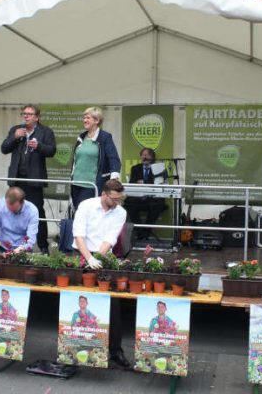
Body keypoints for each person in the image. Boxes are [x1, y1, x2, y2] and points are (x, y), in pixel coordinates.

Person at [72, 179, 129, 368]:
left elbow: (110, 238)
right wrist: (88, 259)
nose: (117, 203)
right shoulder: (86, 206)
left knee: (113, 304)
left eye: (120, 199)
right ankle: (74, 348)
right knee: (78, 303)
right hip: (82, 252)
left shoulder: (120, 212)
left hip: (103, 255)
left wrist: (98, 258)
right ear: (104, 194)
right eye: (114, 199)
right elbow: (78, 235)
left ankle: (115, 350)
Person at [1, 104, 56, 254]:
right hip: (17, 179)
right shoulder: (16, 130)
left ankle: (43, 245)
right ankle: (14, 244)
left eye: (29, 114)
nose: (26, 116)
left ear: (37, 117)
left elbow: (52, 151)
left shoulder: (45, 131)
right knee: (14, 209)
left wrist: (39, 146)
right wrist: (14, 137)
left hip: (34, 180)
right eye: (24, 113)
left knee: (37, 211)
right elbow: (4, 148)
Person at [70, 106, 121, 209]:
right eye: (84, 118)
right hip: (75, 183)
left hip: (91, 185)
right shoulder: (82, 137)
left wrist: (114, 178)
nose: (84, 120)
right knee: (77, 211)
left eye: (88, 118)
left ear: (97, 120)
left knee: (83, 211)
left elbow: (113, 158)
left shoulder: (105, 137)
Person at [124, 148, 168, 241]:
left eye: (147, 155)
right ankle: (141, 232)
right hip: (138, 198)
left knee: (157, 206)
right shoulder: (135, 168)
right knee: (129, 204)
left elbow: (159, 182)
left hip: (152, 199)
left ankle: (145, 232)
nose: (145, 157)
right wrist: (136, 183)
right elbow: (132, 182)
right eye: (143, 155)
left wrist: (145, 182)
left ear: (152, 157)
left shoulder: (158, 168)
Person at [0, 187, 39, 253]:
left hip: (23, 248)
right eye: (9, 208)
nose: (11, 211)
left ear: (22, 202)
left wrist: (16, 252)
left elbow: (31, 238)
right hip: (2, 246)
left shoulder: (32, 210)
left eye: (14, 209)